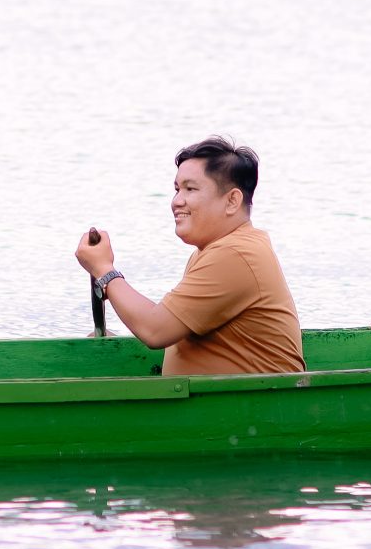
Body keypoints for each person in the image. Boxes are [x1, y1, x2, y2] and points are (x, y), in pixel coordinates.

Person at [74, 136, 302, 377]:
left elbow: (155, 330)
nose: (176, 201)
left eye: (190, 189)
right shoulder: (215, 251)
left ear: (232, 201)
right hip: (212, 397)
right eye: (176, 189)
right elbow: (171, 332)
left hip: (253, 399)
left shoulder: (235, 254)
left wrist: (104, 271)